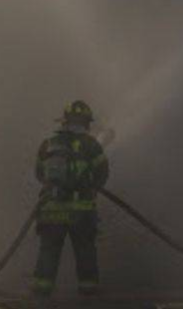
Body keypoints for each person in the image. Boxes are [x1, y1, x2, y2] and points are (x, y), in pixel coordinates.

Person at [32, 100, 109, 297]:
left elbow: (39, 174)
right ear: (87, 123)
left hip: (51, 210)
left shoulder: (48, 143)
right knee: (85, 253)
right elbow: (103, 175)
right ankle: (88, 294)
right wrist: (88, 188)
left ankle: (41, 294)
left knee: (48, 252)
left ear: (64, 121)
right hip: (81, 212)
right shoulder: (92, 145)